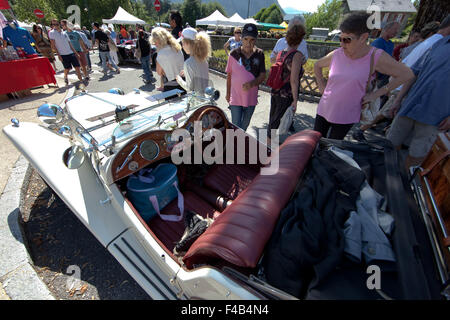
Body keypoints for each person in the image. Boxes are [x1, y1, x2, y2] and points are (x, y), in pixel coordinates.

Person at [313, 13, 414, 140]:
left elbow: (407, 74)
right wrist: (321, 86)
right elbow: (317, 65)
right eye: (340, 38)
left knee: (330, 149)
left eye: (347, 40)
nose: (342, 44)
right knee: (313, 144)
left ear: (363, 37)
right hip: (324, 108)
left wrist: (375, 94)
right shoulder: (338, 54)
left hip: (347, 113)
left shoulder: (375, 56)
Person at [360, 19, 450, 131]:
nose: (396, 33)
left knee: (386, 111)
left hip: (400, 82)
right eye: (394, 30)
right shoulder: (438, 43)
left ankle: (368, 128)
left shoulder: (428, 42)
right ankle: (362, 128)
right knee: (386, 111)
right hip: (402, 83)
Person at [387, 29, 450, 169]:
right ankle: (388, 176)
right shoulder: (441, 42)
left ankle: (404, 183)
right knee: (390, 142)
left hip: (437, 116)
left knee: (418, 154)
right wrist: (398, 100)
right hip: (411, 105)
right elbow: (414, 73)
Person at [225, 23, 266, 132]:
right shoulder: (233, 54)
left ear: (255, 40)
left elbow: (262, 75)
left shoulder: (259, 54)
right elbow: (229, 75)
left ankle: (239, 143)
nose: (248, 43)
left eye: (252, 40)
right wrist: (228, 93)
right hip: (236, 98)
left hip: (251, 98)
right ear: (241, 39)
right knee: (236, 125)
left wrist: (252, 84)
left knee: (244, 126)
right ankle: (233, 146)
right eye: (246, 39)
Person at [267, 24, 306, 138]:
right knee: (277, 122)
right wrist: (295, 99)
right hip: (286, 93)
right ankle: (269, 149)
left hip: (276, 90)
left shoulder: (281, 52)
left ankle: (268, 145)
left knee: (273, 119)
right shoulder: (297, 55)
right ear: (300, 39)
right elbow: (294, 80)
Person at [371, 21, 401, 107]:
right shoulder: (378, 43)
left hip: (386, 76)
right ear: (387, 29)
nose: (396, 32)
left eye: (397, 30)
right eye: (395, 29)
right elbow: (374, 61)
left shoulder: (391, 44)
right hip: (377, 76)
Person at [48, 19, 83, 86]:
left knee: (77, 66)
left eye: (56, 24)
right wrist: (58, 55)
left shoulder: (64, 32)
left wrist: (76, 53)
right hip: (62, 54)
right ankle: (65, 76)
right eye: (53, 24)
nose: (55, 26)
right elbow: (53, 45)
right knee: (67, 68)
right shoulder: (51, 33)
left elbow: (69, 43)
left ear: (59, 24)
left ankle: (81, 80)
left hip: (70, 52)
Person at [177, 27, 211, 94]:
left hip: (195, 100)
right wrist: (186, 72)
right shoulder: (203, 60)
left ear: (188, 43)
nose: (182, 46)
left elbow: (189, 87)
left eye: (182, 43)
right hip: (205, 97)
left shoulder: (188, 63)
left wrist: (179, 80)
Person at [151, 27, 184, 93]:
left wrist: (164, 70)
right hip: (182, 82)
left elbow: (159, 72)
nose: (155, 44)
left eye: (155, 42)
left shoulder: (161, 53)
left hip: (170, 84)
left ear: (159, 41)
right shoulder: (176, 47)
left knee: (171, 102)